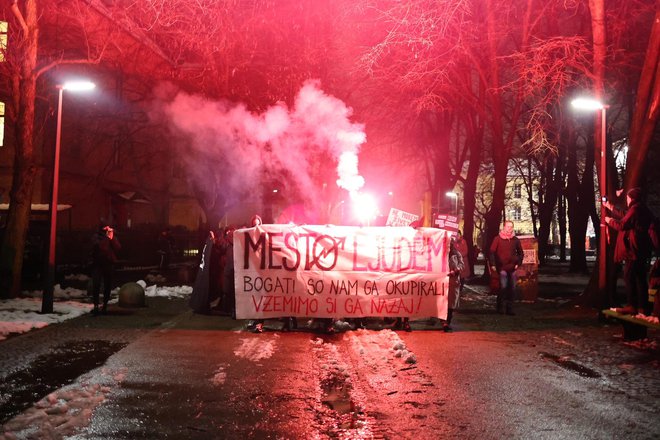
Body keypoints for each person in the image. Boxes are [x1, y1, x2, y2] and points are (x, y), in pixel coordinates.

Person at [604, 187, 654, 315]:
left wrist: (609, 221)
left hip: (633, 249)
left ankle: (632, 305)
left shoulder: (635, 209)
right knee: (640, 277)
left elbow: (622, 224)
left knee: (629, 275)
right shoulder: (642, 209)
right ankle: (643, 307)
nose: (626, 200)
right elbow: (626, 216)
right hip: (641, 249)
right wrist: (610, 207)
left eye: (627, 197)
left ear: (631, 198)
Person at [489, 220, 523, 315]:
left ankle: (509, 309)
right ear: (503, 227)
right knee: (503, 287)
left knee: (512, 288)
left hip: (512, 268)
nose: (509, 229)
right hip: (502, 268)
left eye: (511, 227)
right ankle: (500, 307)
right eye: (508, 226)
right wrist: (493, 264)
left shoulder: (515, 240)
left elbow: (521, 253)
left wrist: (518, 263)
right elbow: (491, 252)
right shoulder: (498, 239)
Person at [91, 225, 121, 315]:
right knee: (96, 285)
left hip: (108, 263)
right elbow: (101, 247)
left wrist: (112, 238)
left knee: (107, 285)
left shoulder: (109, 236)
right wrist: (108, 238)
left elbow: (118, 247)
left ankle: (104, 305)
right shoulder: (96, 237)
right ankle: (96, 305)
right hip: (97, 263)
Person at [444, 238, 465, 332]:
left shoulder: (456, 254)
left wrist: (456, 270)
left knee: (451, 302)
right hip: (443, 281)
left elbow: (462, 265)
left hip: (453, 280)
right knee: (442, 302)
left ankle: (447, 321)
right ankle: (443, 321)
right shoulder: (440, 253)